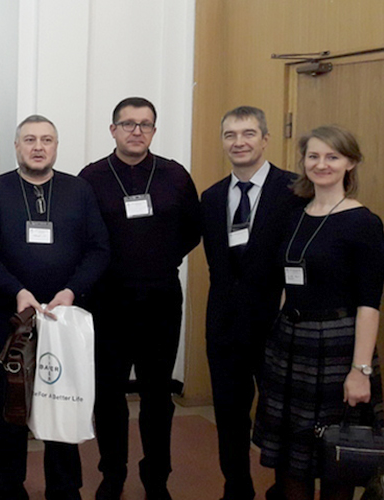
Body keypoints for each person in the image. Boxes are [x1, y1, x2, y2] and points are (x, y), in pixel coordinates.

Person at [0, 114, 110, 500]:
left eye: (46, 140)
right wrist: (16, 290)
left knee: (62, 400)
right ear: (17, 146)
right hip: (12, 315)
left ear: (56, 146)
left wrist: (72, 291)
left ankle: (64, 487)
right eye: (29, 139)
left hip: (63, 318)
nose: (38, 147)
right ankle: (10, 486)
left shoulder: (78, 190)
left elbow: (99, 249)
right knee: (9, 406)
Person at [79, 97, 201, 500]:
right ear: (112, 130)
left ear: (154, 130)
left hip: (160, 300)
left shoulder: (174, 175)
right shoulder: (91, 177)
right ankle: (112, 474)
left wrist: (161, 259)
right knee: (108, 394)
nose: (137, 131)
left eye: (145, 124)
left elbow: (193, 229)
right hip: (106, 301)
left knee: (157, 396)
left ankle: (156, 477)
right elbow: (82, 235)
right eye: (128, 124)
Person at [253, 125, 384, 500]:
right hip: (289, 344)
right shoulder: (296, 215)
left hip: (337, 348)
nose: (321, 164)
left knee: (334, 460)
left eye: (332, 156)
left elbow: (369, 304)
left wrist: (360, 371)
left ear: (350, 163)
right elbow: (288, 280)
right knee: (290, 461)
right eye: (313, 156)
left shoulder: (363, 222)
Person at [200, 106, 301, 500]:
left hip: (277, 324)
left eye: (248, 133)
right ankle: (237, 487)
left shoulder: (295, 190)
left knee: (283, 414)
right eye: (230, 135)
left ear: (265, 139)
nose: (238, 142)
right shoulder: (211, 198)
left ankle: (285, 488)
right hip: (225, 325)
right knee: (229, 415)